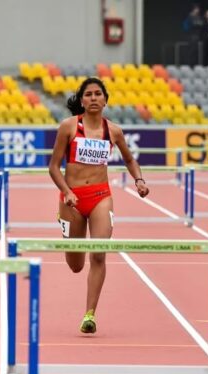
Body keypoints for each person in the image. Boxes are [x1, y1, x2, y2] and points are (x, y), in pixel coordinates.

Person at [48, 77, 149, 334]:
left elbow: (129, 159)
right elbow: (53, 166)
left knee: (99, 253)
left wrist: (139, 180)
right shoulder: (68, 127)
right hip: (71, 199)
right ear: (82, 100)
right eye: (88, 94)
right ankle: (67, 230)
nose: (93, 98)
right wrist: (66, 191)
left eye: (97, 94)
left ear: (105, 99)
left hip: (101, 196)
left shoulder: (113, 131)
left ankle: (89, 314)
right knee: (76, 265)